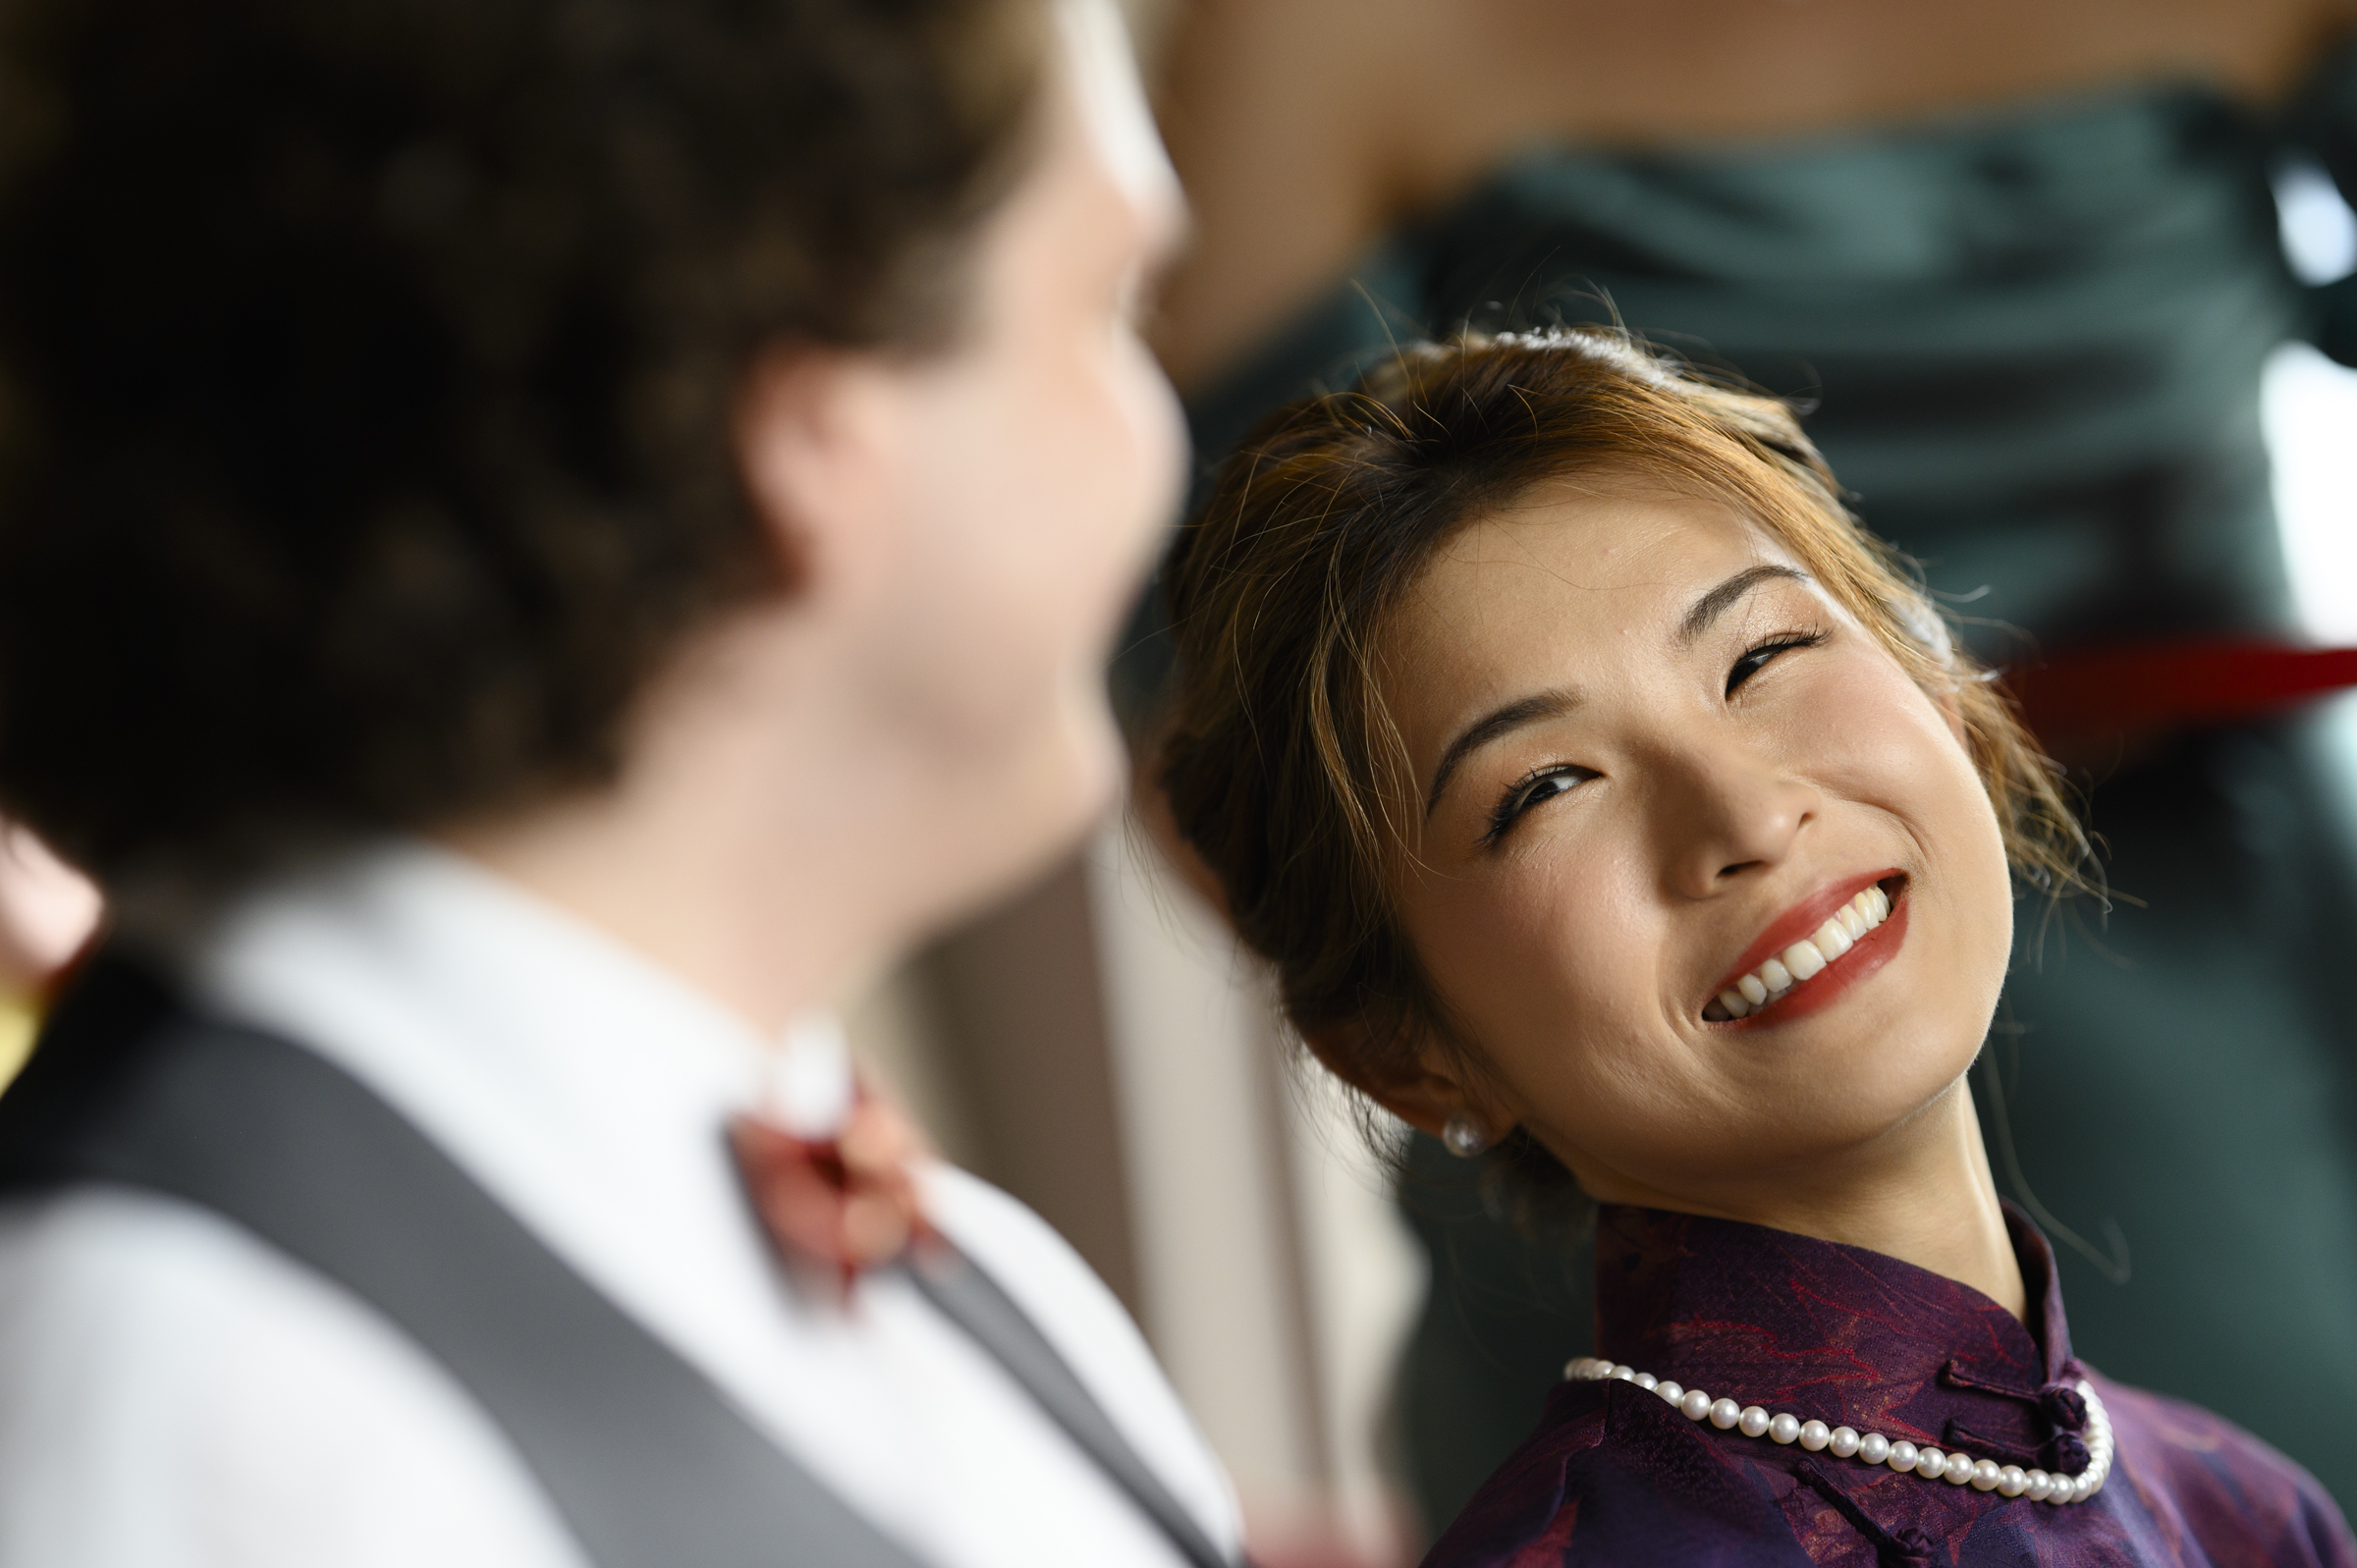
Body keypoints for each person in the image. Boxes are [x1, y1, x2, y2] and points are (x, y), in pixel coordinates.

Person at [0, 0, 1242, 1564]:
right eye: (1107, 306)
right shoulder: (208, 1410)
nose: (1160, 442)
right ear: (808, 437)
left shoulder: (974, 1274)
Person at [1137, 0, 2357, 1525]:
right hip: (1664, 1061)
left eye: (1766, 657)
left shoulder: (2256, 1498)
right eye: (1544, 785)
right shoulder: (1319, 39)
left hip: (2228, 914)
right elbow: (1215, 719)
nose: (1744, 811)